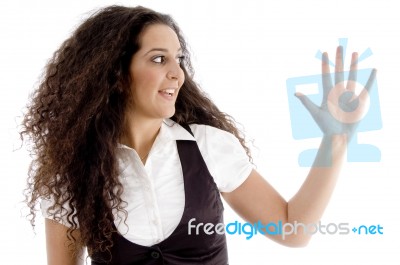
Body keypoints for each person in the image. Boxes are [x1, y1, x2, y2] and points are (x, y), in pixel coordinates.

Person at [20, 5, 376, 265]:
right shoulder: (73, 173)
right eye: (159, 59)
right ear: (116, 74)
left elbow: (293, 231)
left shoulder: (208, 147)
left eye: (179, 59)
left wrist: (336, 138)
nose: (178, 74)